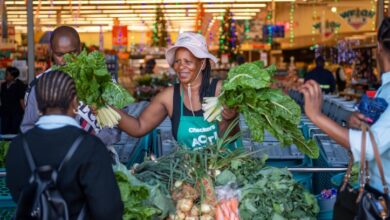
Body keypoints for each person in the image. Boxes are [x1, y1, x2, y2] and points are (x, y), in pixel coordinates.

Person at [6, 70, 123, 220]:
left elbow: (18, 194)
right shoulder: (92, 147)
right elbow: (108, 211)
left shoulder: (17, 147)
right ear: (75, 102)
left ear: (37, 105)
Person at [300, 18, 390, 195]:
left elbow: (371, 148)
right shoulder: (385, 88)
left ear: (378, 47)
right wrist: (356, 123)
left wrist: (317, 116)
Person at [115, 32, 239, 149]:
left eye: (188, 62)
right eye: (177, 61)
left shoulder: (221, 91)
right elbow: (139, 127)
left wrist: (230, 119)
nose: (181, 67)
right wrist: (106, 108)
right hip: (189, 170)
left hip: (226, 168)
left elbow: (230, 139)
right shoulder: (169, 97)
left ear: (202, 64)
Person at [21, 26, 119, 146]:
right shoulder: (40, 85)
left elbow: (117, 125)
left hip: (98, 157)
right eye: (59, 54)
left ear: (80, 48)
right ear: (51, 51)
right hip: (55, 160)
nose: (66, 60)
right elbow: (28, 128)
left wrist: (93, 144)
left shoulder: (102, 80)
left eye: (72, 53)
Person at [0, 67, 26, 134]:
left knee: (14, 132)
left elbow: (21, 100)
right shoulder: (3, 85)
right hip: (5, 114)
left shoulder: (20, 85)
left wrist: (26, 112)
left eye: (7, 74)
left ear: (12, 76)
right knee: (4, 132)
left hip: (15, 114)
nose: (5, 76)